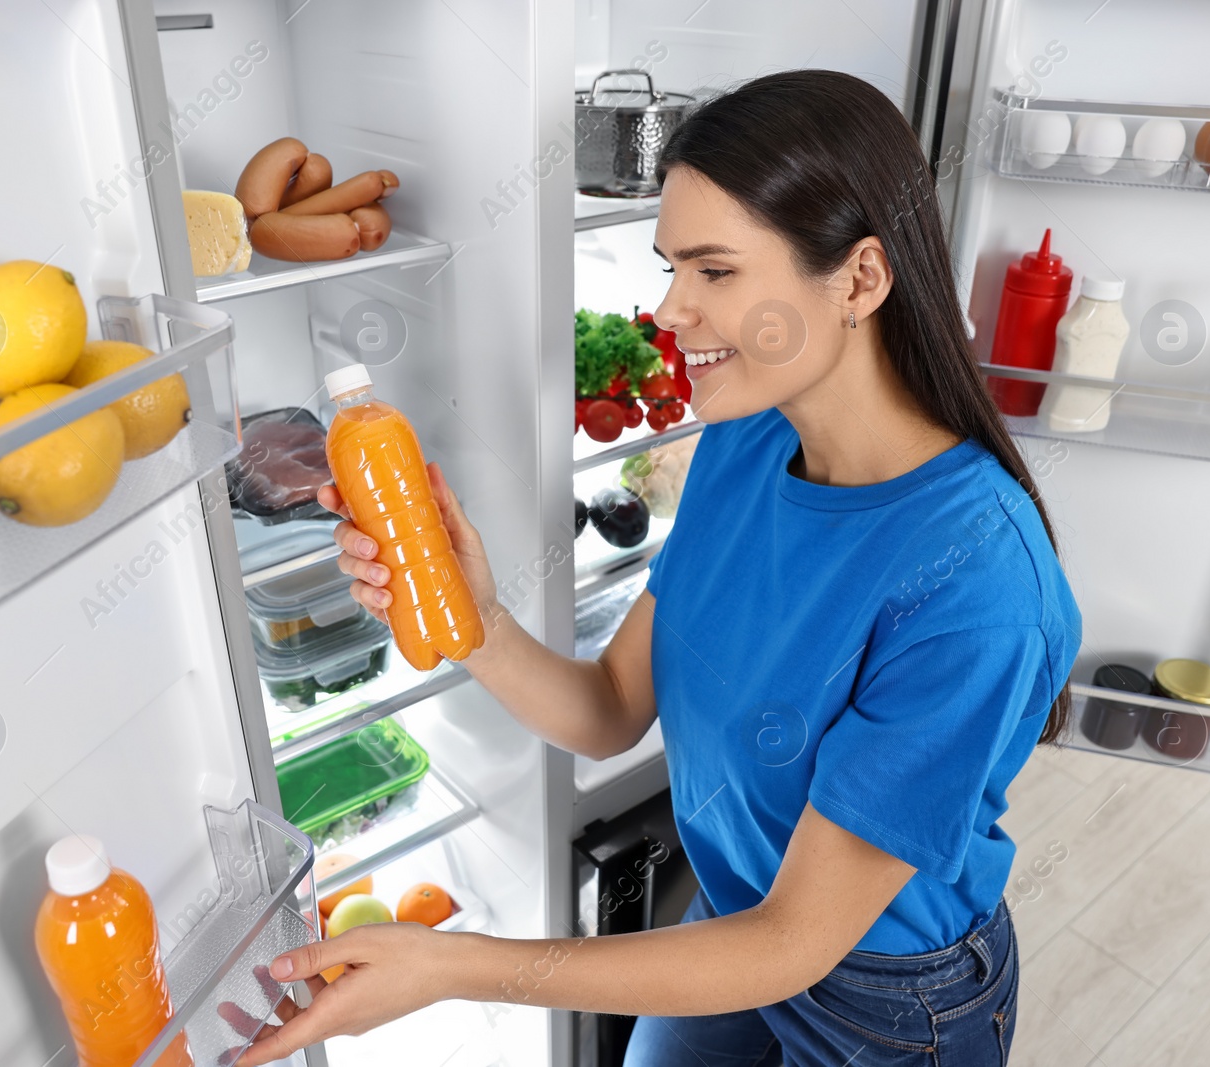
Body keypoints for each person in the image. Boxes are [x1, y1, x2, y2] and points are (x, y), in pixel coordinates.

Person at [236, 69, 1080, 1067]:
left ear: (858, 279)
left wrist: (457, 963)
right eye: (670, 266)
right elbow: (609, 709)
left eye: (713, 271)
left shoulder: (976, 586)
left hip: (885, 1000)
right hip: (730, 923)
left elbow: (794, 942)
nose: (671, 309)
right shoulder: (745, 440)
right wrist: (475, 617)